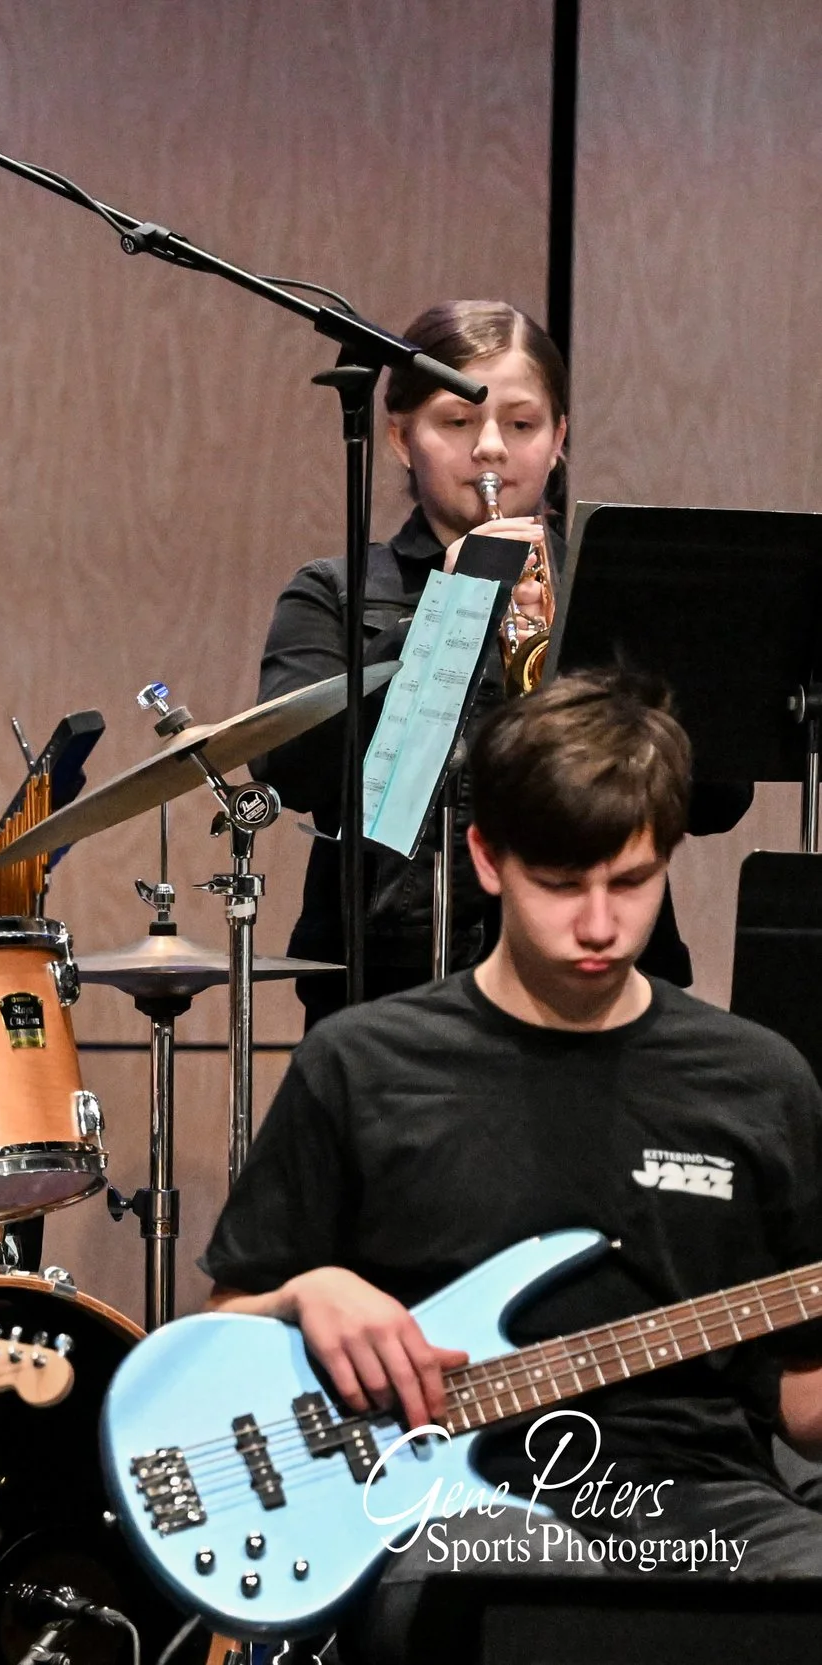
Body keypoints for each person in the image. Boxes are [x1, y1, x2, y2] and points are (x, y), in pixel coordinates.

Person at [203, 671, 822, 1659]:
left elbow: (800, 1397)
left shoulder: (757, 1079)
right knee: (528, 1602)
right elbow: (222, 1330)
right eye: (560, 883)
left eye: (629, 882)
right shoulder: (363, 1061)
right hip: (449, 1499)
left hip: (703, 1505)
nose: (597, 924)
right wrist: (304, 1292)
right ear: (487, 859)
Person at [249, 299, 747, 1027]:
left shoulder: (615, 590)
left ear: (559, 438)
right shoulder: (336, 592)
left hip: (610, 980)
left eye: (521, 424)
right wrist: (447, 611)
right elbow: (292, 770)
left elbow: (718, 800)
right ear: (399, 438)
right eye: (456, 423)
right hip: (389, 982)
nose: (491, 448)